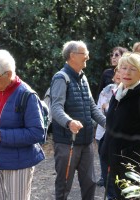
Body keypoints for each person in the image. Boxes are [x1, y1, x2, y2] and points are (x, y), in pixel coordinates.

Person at [0, 50, 45, 200]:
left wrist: (2, 136)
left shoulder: (27, 95)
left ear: (9, 73)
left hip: (17, 164)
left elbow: (37, 133)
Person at [50, 40, 106, 200]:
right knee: (64, 185)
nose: (88, 56)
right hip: (67, 142)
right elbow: (56, 108)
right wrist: (69, 122)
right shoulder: (61, 78)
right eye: (85, 53)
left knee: (90, 183)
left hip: (86, 142)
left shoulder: (83, 77)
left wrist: (108, 124)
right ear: (72, 56)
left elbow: (92, 107)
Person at [100, 52, 140, 199]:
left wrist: (126, 155)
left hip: (132, 166)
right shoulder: (118, 94)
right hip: (113, 162)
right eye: (124, 68)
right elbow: (111, 127)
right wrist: (105, 150)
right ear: (118, 71)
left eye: (132, 69)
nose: (127, 72)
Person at [95, 69, 120, 199]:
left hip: (118, 138)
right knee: (106, 172)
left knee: (116, 171)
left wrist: (108, 108)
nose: (120, 75)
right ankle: (110, 195)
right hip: (102, 135)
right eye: (118, 73)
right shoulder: (106, 91)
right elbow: (98, 109)